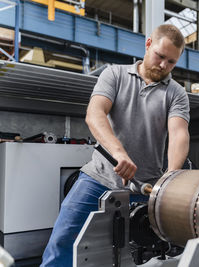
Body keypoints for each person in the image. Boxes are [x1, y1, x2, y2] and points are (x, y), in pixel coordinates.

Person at [40, 24, 190, 267]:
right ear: (148, 44)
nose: (163, 66)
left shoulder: (176, 93)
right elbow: (95, 113)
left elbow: (178, 133)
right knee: (63, 243)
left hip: (144, 189)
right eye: (160, 57)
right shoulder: (115, 74)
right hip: (97, 179)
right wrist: (119, 152)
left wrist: (170, 176)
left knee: (133, 257)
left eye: (171, 62)